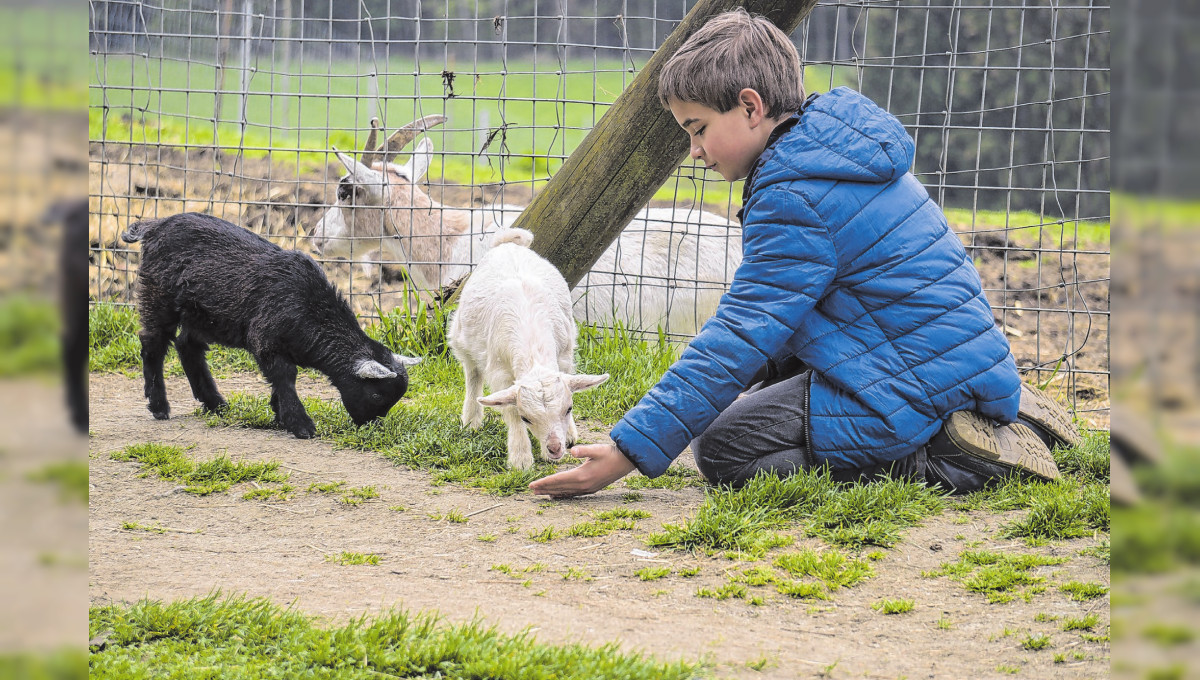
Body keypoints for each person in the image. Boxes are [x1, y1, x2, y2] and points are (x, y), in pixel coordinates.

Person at [530, 9, 1080, 498]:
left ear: (750, 106)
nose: (693, 151)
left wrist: (630, 450)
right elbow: (791, 317)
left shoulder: (792, 195)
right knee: (747, 394)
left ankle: (946, 454)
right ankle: (989, 403)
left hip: (907, 376)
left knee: (723, 450)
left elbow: (743, 331)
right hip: (945, 354)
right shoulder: (832, 149)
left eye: (697, 130)